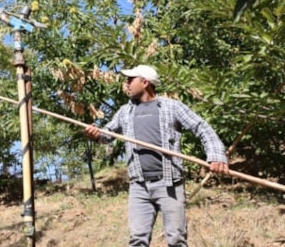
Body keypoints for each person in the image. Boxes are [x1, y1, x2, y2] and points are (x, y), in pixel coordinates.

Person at [84, 64, 229, 247]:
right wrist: (96, 134)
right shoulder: (125, 112)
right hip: (139, 186)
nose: (126, 84)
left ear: (145, 82)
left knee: (176, 240)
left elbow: (201, 128)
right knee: (137, 240)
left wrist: (216, 156)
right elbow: (107, 135)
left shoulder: (171, 107)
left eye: (131, 80)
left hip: (170, 184)